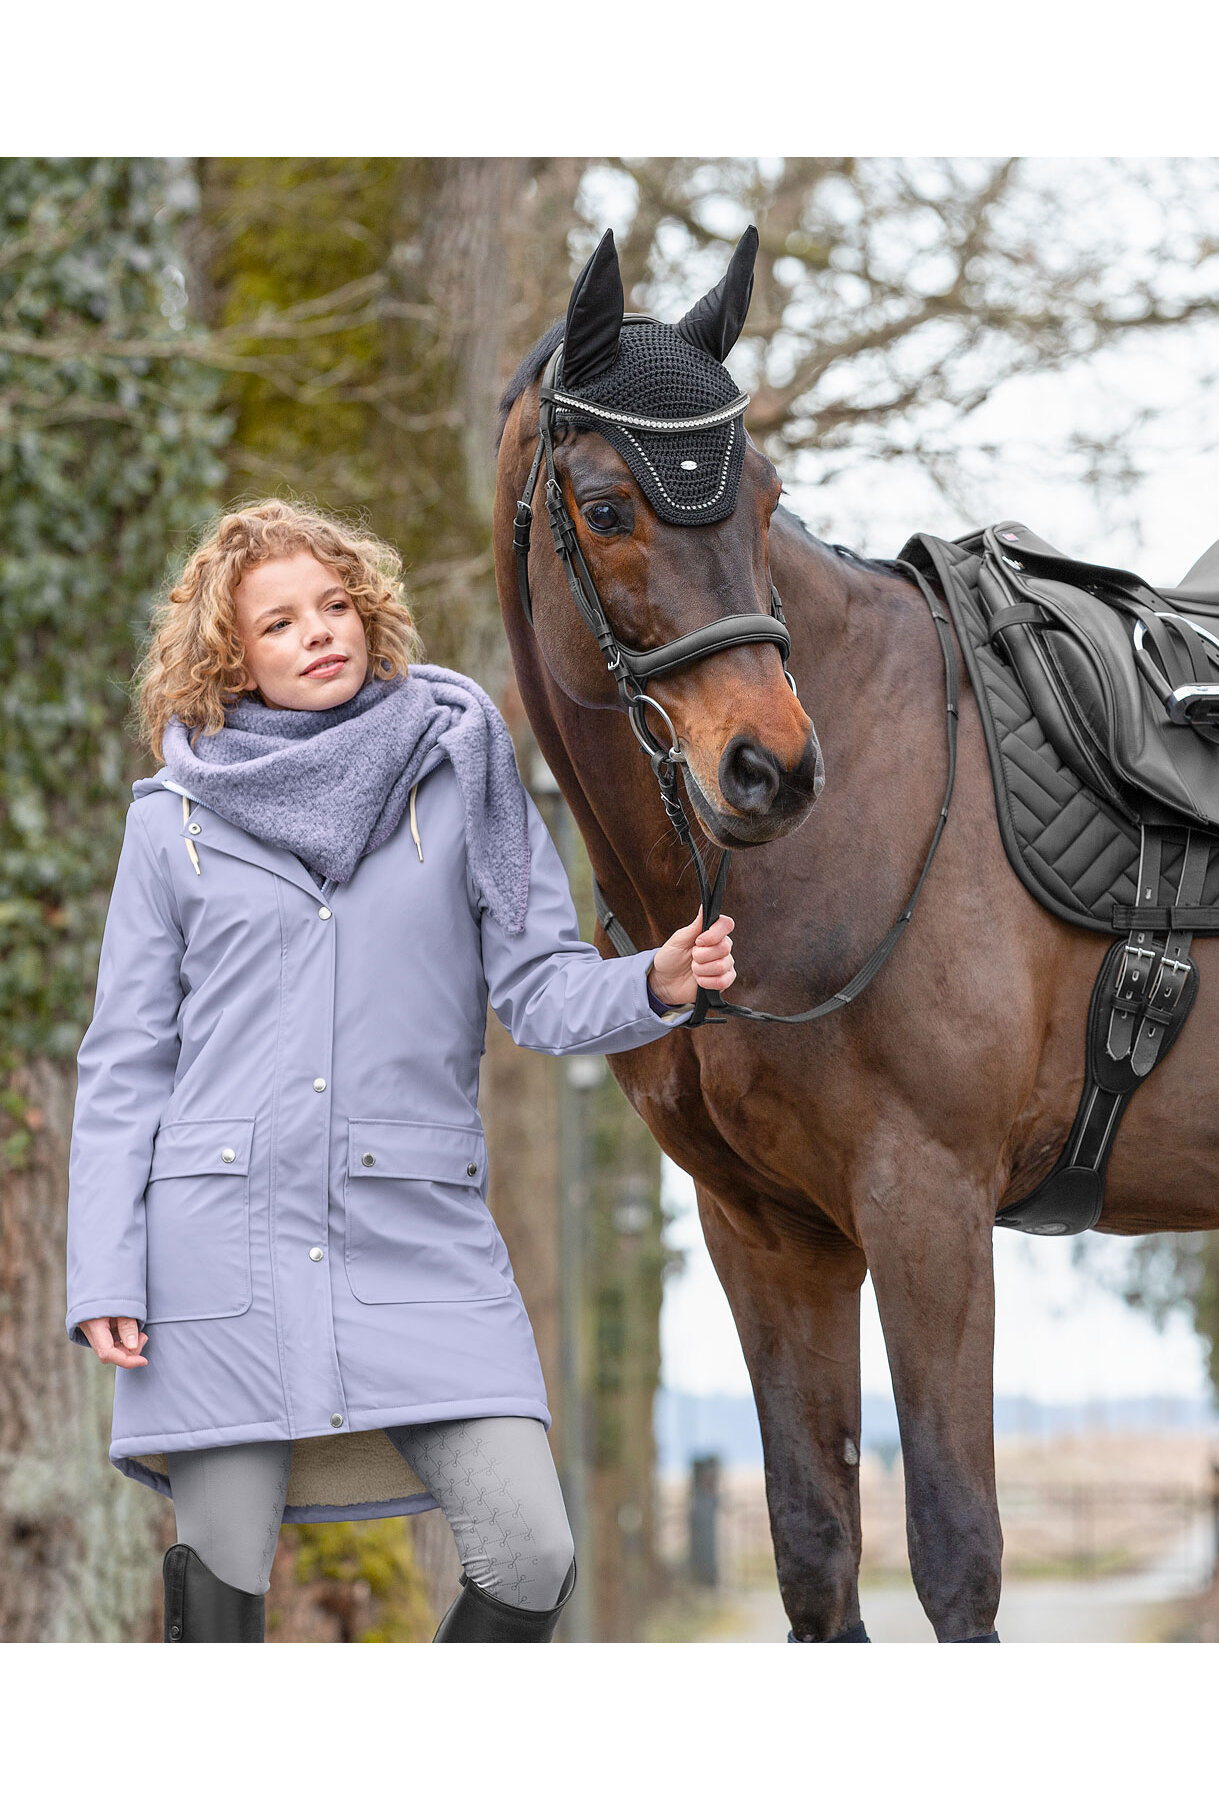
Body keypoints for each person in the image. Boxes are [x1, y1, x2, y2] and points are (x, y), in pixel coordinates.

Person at [65, 498, 735, 1643]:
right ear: (232, 655)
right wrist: (104, 1270)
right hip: (215, 1246)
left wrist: (652, 985)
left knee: (531, 1553)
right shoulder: (170, 824)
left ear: (370, 614)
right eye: (278, 623)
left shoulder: (459, 764)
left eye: (335, 606)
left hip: (415, 1233)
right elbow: (126, 1059)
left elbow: (537, 985)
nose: (317, 633)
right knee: (219, 1585)